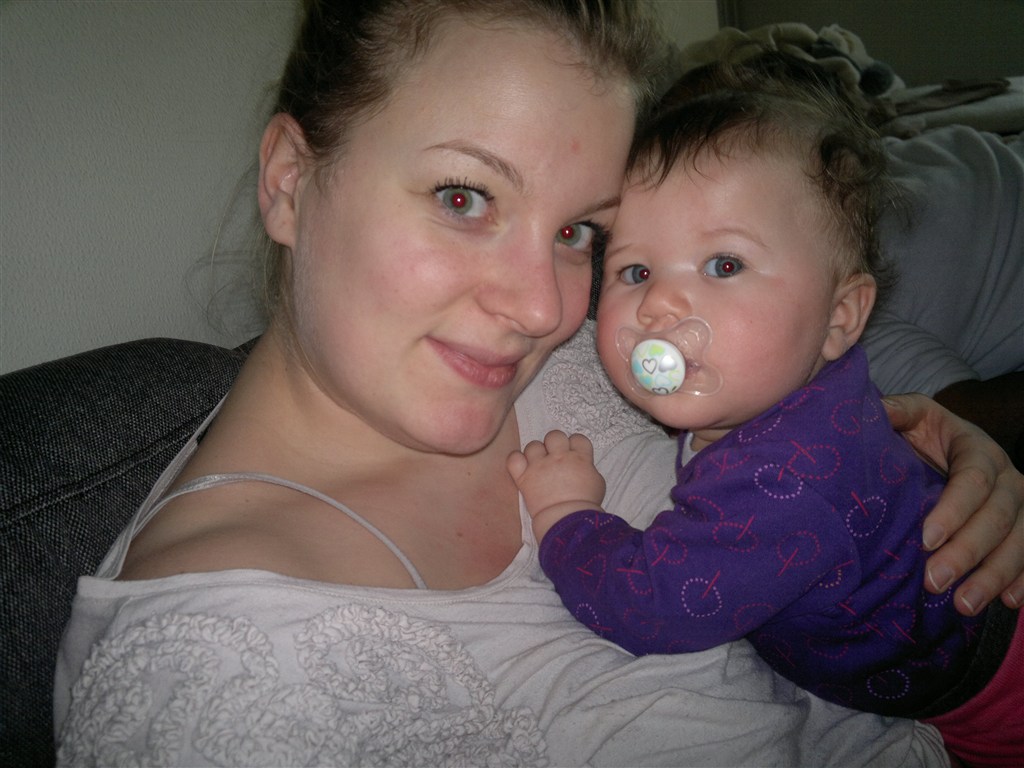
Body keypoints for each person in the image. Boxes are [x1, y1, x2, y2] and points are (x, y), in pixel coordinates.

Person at [54, 3, 1024, 766]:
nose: (542, 306)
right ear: (289, 181)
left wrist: (929, 448)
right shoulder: (214, 685)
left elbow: (781, 373)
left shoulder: (565, 358)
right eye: (464, 197)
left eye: (576, 233)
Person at [508, 57, 1022, 766]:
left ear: (840, 317)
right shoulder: (797, 387)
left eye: (724, 265)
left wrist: (567, 515)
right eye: (636, 271)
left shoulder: (781, 480)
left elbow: (657, 603)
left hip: (992, 694)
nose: (658, 304)